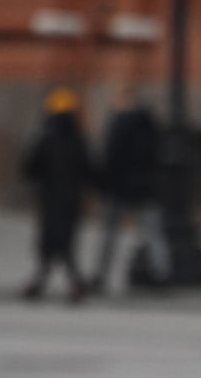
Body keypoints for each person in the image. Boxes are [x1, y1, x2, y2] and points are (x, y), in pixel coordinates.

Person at [88, 82, 170, 295]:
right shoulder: (149, 124)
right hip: (146, 185)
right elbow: (158, 154)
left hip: (120, 186)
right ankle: (161, 274)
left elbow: (111, 156)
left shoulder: (119, 124)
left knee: (110, 233)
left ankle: (101, 274)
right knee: (152, 231)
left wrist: (104, 183)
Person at [19, 86, 95, 304]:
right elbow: (89, 169)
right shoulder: (77, 139)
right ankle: (71, 284)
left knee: (48, 244)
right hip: (71, 200)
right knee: (67, 244)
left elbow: (29, 168)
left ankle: (44, 282)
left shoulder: (45, 138)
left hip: (49, 199)